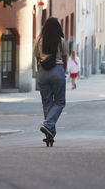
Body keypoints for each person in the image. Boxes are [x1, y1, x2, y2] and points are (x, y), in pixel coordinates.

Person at [33, 17, 68, 145]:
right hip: (57, 70)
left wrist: (40, 71)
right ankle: (48, 125)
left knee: (47, 103)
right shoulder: (61, 41)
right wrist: (63, 72)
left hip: (42, 71)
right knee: (59, 102)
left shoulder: (38, 40)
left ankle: (50, 132)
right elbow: (65, 58)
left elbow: (36, 58)